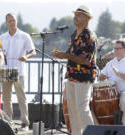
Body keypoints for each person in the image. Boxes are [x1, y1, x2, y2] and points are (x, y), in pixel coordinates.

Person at [51, 5, 97, 135]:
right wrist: (61, 54)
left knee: (82, 109)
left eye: (79, 15)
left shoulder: (89, 35)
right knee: (73, 111)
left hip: (84, 77)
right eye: (75, 14)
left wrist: (66, 55)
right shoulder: (73, 35)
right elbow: (71, 54)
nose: (75, 17)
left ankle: (92, 133)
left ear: (87, 19)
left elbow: (85, 60)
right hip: (71, 76)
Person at [0, 13, 36, 131]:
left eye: (13, 20)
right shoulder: (1, 37)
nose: (12, 23)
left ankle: (25, 123)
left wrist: (26, 57)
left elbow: (33, 51)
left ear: (17, 21)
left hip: (19, 70)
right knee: (6, 99)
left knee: (21, 97)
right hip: (5, 69)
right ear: (6, 22)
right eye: (9, 21)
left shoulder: (24, 36)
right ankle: (8, 122)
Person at [99, 40, 125, 125]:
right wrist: (102, 77)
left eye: (118, 49)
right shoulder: (110, 63)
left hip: (123, 92)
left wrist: (118, 74)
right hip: (110, 93)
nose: (116, 51)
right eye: (115, 49)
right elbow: (101, 76)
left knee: (124, 100)